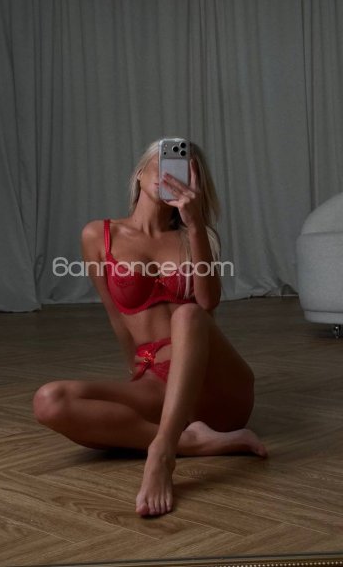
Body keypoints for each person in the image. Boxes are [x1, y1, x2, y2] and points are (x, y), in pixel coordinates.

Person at [32, 138, 268, 518]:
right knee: (49, 400)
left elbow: (208, 303)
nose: (170, 171)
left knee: (188, 315)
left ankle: (162, 452)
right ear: (141, 172)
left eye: (184, 167)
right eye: (163, 161)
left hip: (216, 386)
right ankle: (193, 441)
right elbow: (116, 315)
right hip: (157, 381)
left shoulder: (197, 236)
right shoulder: (98, 236)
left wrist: (194, 224)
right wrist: (135, 376)